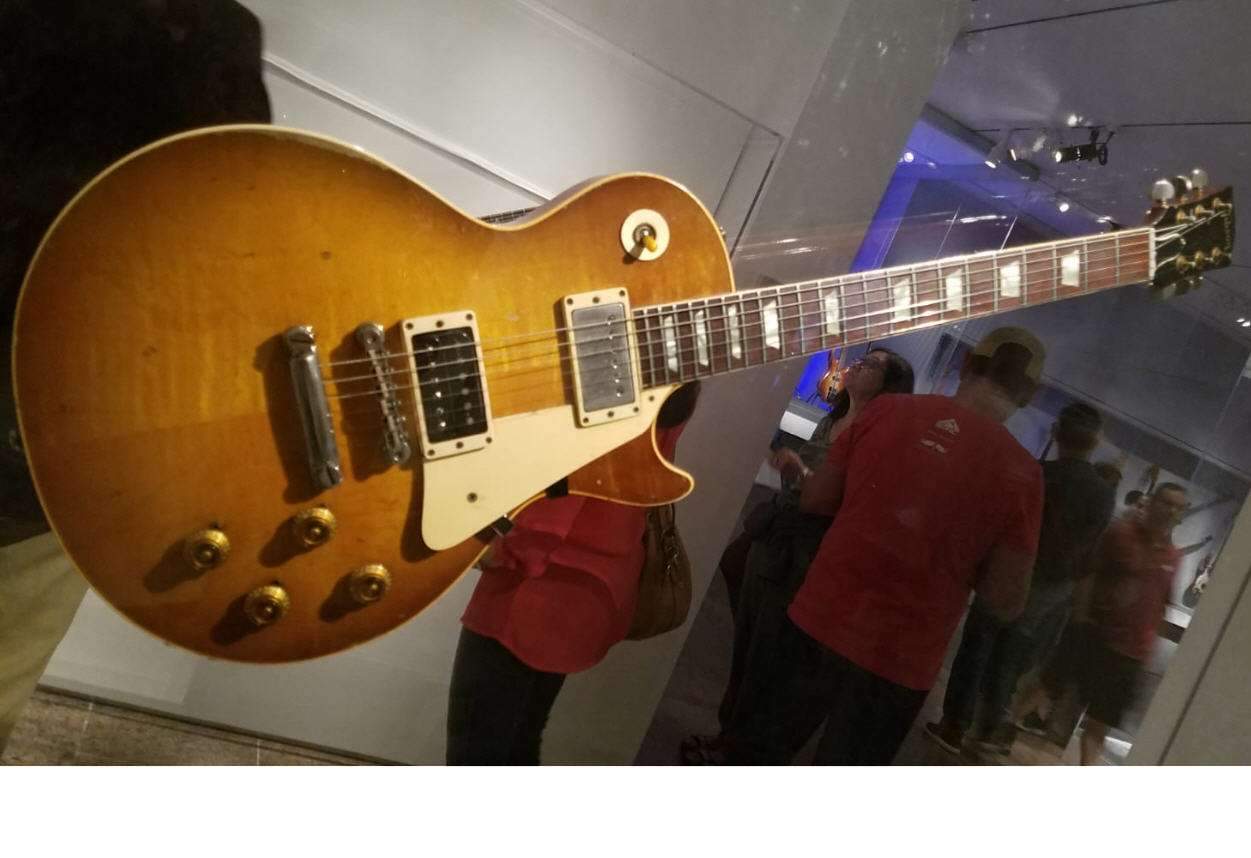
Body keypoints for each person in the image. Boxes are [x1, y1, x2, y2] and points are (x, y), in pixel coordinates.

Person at [0, 0, 270, 753]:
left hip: (43, 458)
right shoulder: (211, 33)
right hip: (49, 447)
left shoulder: (212, 31)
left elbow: (213, 259)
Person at [723, 327, 1046, 764]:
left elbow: (818, 500)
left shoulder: (887, 410)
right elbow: (1005, 598)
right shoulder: (1023, 475)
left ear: (967, 364)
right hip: (902, 659)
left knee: (755, 754)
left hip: (821, 615)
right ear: (1028, 394)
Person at [681, 348, 915, 764]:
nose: (857, 365)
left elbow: (845, 499)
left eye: (872, 365)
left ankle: (735, 747)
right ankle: (729, 736)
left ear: (890, 386)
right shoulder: (832, 420)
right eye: (863, 360)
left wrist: (800, 473)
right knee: (752, 638)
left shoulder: (877, 437)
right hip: (780, 531)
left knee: (768, 651)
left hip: (807, 547)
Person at [446, 383, 699, 764]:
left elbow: (570, 484)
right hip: (594, 587)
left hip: (536, 586)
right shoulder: (680, 378)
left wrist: (499, 547)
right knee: (521, 738)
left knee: (477, 751)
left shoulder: (616, 370)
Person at [924, 402, 1114, 757]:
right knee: (1012, 656)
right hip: (1053, 586)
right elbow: (1090, 551)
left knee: (978, 647)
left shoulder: (1038, 474)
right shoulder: (1103, 494)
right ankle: (989, 730)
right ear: (1095, 442)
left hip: (1011, 570)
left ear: (1057, 433)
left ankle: (955, 724)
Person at [1075, 482, 1189, 764]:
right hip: (1096, 634)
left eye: (1178, 507)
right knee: (1050, 688)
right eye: (1167, 503)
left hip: (1131, 652)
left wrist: (1148, 648)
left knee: (1100, 721)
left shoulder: (1173, 557)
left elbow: (1162, 603)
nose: (1171, 511)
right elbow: (1091, 573)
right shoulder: (1121, 534)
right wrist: (1081, 617)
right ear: (1153, 502)